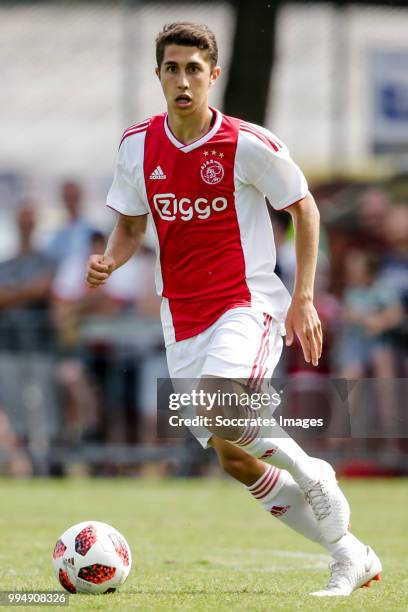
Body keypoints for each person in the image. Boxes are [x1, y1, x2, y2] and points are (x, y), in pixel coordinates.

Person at [86, 22, 381, 596]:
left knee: (220, 403)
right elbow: (128, 226)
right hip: (182, 316)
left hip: (246, 303)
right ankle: (350, 553)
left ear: (213, 76)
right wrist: (110, 260)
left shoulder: (247, 143)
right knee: (234, 458)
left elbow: (306, 209)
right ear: (159, 77)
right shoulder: (136, 145)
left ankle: (311, 469)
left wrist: (302, 298)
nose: (183, 80)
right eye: (172, 68)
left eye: (194, 68)